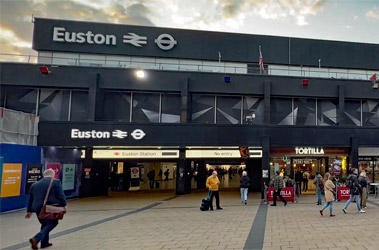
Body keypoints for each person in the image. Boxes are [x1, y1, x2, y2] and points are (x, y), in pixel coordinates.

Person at [25, 169, 66, 250]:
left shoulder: (34, 184)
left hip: (37, 208)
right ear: (52, 174)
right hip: (49, 207)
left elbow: (30, 199)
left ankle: (44, 243)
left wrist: (29, 211)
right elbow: (61, 195)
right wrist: (64, 205)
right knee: (53, 223)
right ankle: (36, 239)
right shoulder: (55, 182)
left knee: (45, 224)